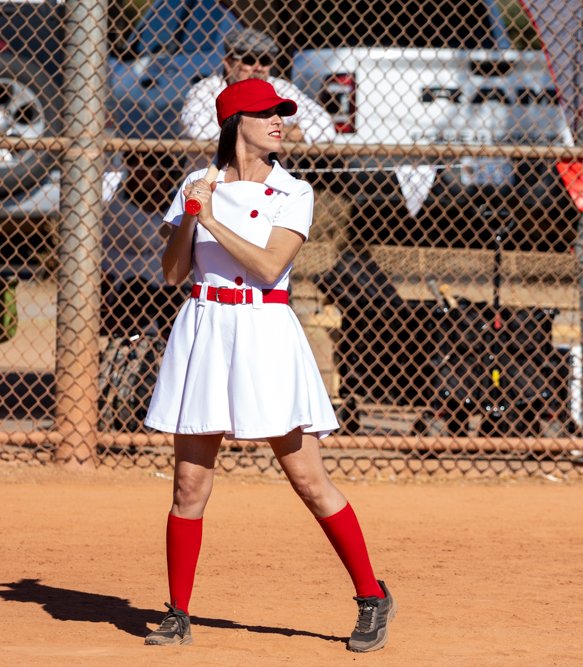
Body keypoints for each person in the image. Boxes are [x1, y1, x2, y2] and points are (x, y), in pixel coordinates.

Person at [142, 78, 395, 653]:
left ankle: (371, 596)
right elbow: (173, 275)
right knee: (188, 484)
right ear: (235, 124)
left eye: (281, 113)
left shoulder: (292, 192)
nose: (279, 120)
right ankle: (178, 611)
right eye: (265, 113)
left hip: (264, 331)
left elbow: (266, 265)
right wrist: (187, 215)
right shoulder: (196, 184)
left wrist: (207, 220)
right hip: (205, 327)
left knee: (308, 479)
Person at [181, 27, 337, 144]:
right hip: (219, 182)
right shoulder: (206, 89)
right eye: (249, 60)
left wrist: (245, 132)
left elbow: (325, 126)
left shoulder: (280, 87)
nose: (258, 67)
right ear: (228, 63)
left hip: (268, 184)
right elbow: (199, 129)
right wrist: (272, 132)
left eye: (264, 61)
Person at [101, 152, 187, 339]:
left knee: (171, 299)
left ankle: (165, 348)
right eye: (135, 167)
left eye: (149, 169)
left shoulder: (175, 201)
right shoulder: (116, 201)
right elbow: (145, 238)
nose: (139, 174)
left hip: (164, 289)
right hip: (123, 286)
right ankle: (129, 343)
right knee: (137, 287)